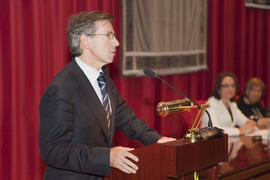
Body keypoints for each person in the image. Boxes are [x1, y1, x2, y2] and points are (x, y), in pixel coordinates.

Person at [39, 11, 175, 180]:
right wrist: (107, 157)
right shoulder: (62, 88)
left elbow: (125, 117)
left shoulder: (102, 76)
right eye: (108, 36)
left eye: (115, 36)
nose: (116, 43)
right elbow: (54, 149)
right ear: (85, 41)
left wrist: (158, 141)